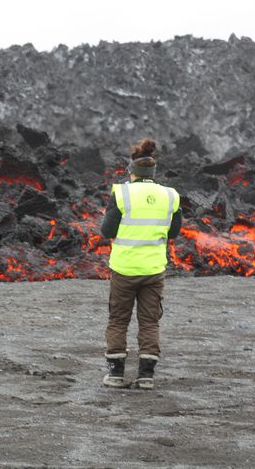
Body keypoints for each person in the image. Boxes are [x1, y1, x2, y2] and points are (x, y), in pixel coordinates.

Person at [99, 137, 182, 389]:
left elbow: (107, 231)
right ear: (153, 173)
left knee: (118, 320)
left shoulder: (122, 193)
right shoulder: (170, 196)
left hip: (124, 269)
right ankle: (146, 375)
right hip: (154, 270)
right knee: (149, 321)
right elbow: (174, 233)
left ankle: (115, 374)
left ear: (132, 171)